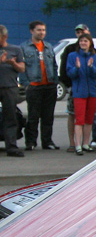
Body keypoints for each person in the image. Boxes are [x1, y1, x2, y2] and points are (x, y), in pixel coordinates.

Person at [21, 20, 60, 151]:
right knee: (33, 116)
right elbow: (22, 68)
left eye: (43, 30)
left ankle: (47, 141)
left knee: (48, 116)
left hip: (49, 86)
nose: (42, 32)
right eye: (39, 30)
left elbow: (54, 66)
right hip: (34, 86)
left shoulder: (48, 46)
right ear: (32, 31)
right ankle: (31, 142)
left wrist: (55, 81)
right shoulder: (24, 47)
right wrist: (27, 84)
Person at [66, 34, 96, 155]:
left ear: (90, 43)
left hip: (93, 91)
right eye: (81, 41)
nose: (83, 43)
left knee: (89, 119)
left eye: (85, 41)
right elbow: (70, 74)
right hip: (79, 92)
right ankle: (78, 145)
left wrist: (91, 67)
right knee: (79, 119)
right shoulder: (72, 56)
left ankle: (86, 143)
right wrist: (76, 68)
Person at [59, 23, 90, 152]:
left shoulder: (93, 49)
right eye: (78, 32)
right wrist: (69, 84)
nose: (80, 34)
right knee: (72, 114)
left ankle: (85, 143)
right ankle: (73, 143)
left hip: (89, 88)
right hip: (75, 87)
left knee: (88, 116)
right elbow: (64, 69)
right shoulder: (70, 49)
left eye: (82, 31)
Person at [0, 25, 25, 157]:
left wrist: (13, 64)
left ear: (5, 36)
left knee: (10, 117)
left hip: (9, 87)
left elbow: (22, 68)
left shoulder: (15, 50)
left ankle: (11, 146)